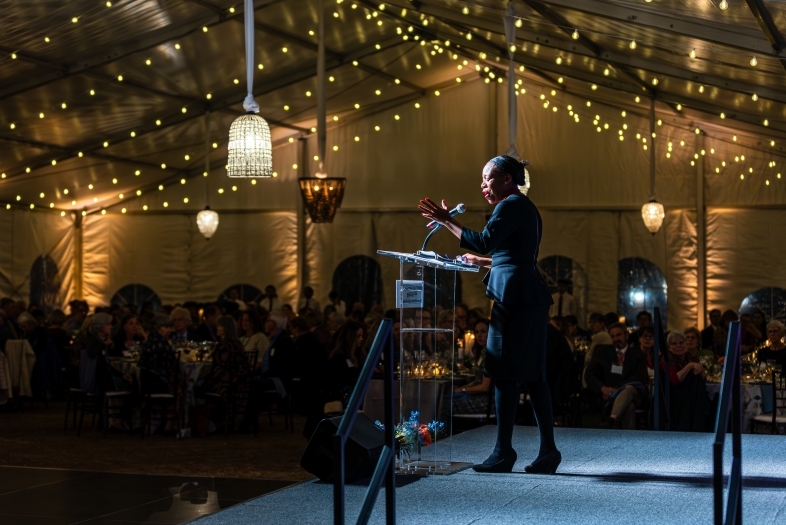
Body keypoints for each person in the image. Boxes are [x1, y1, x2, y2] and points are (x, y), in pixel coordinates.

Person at [419, 154, 558, 474]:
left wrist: (445, 220)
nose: (482, 184)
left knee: (504, 373)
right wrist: (482, 263)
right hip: (530, 295)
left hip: (514, 298)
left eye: (488, 178)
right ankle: (546, 451)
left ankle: (503, 451)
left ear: (507, 178)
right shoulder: (525, 207)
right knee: (534, 377)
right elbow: (513, 256)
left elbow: (483, 241)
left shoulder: (509, 205)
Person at [586, 323, 649, 429]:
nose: (616, 339)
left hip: (635, 394)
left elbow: (639, 377)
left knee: (629, 388)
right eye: (613, 336)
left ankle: (611, 420)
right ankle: (628, 441)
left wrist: (617, 389)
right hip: (610, 396)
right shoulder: (602, 353)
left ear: (626, 336)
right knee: (629, 407)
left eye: (618, 335)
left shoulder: (638, 355)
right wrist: (602, 388)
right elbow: (589, 374)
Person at [663, 331, 708, 431]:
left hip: (689, 395)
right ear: (669, 347)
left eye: (681, 342)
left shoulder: (691, 357)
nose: (678, 346)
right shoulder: (666, 360)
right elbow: (675, 380)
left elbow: (703, 379)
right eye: (674, 343)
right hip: (673, 397)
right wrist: (689, 366)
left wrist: (700, 371)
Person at [453, 319, 493, 414]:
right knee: (444, 401)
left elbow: (484, 387)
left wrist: (462, 389)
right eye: (477, 332)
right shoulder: (483, 352)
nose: (479, 335)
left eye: (483, 332)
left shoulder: (491, 354)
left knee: (444, 405)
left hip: (487, 401)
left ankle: (440, 429)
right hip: (480, 397)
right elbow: (478, 381)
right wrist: (461, 388)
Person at [138, 314, 178, 395]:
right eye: (166, 327)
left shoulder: (148, 341)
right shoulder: (163, 343)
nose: (169, 330)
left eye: (170, 327)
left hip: (146, 384)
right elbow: (173, 364)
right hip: (162, 383)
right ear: (157, 328)